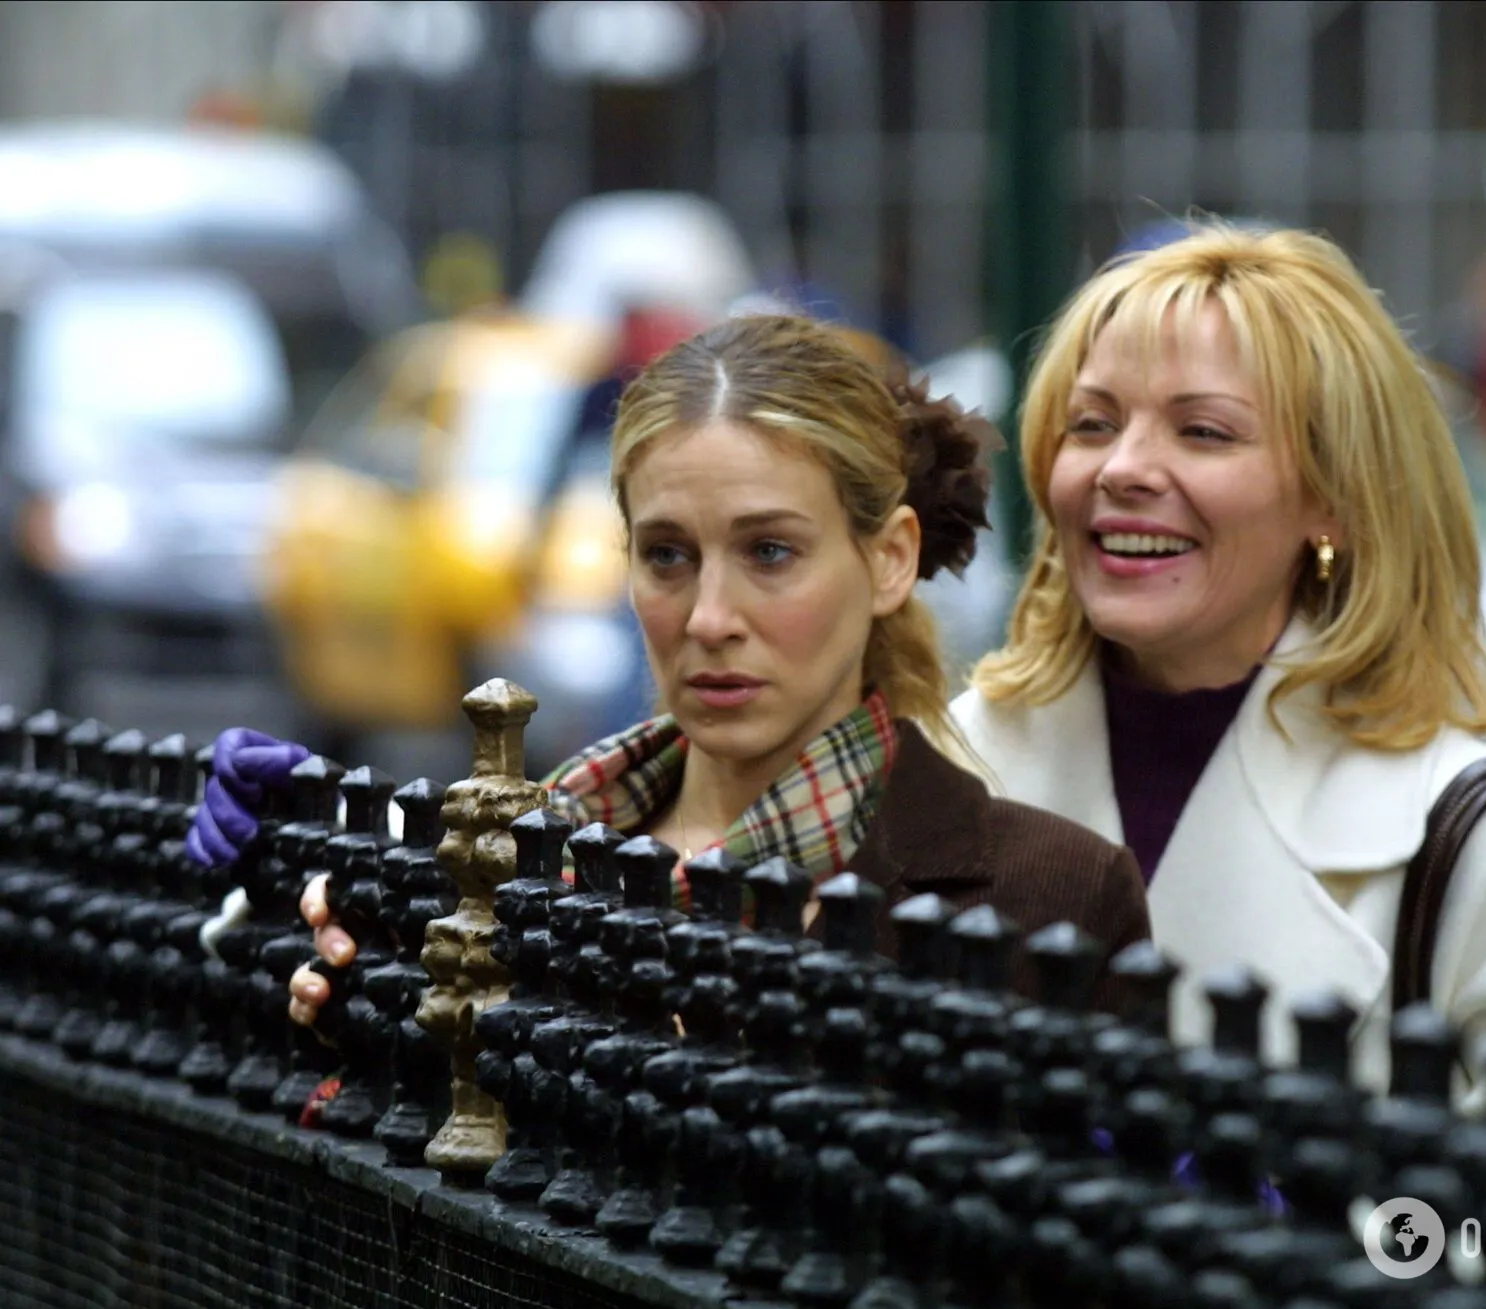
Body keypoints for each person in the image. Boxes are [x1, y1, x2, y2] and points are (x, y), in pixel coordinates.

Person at [951, 222, 1486, 1190]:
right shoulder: (950, 769)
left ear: (1331, 503)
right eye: (1092, 423)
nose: (1121, 468)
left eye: (1202, 431)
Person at [187, 314, 1150, 1020]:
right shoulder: (499, 858)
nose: (711, 617)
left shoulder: (1051, 896)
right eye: (667, 556)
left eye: (770, 552)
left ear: (890, 559)